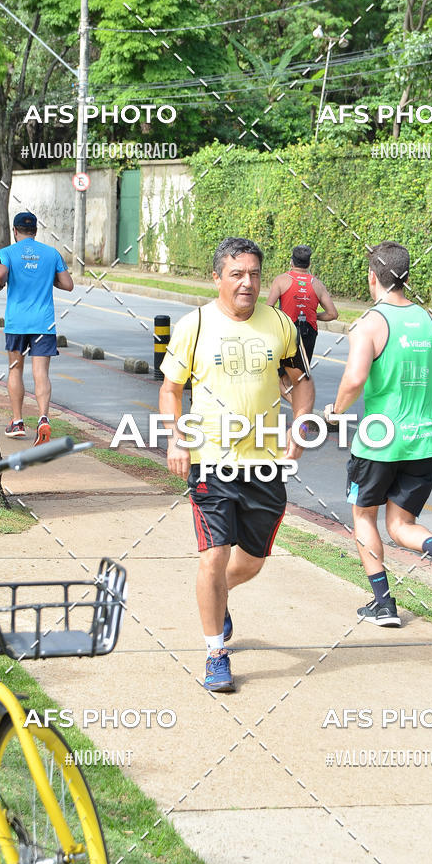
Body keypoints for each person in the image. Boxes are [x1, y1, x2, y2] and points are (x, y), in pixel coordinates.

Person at [160, 237, 315, 692]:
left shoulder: (280, 325)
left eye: (253, 275)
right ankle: (215, 655)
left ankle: (218, 598)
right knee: (214, 556)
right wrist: (178, 438)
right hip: (211, 462)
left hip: (264, 464)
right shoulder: (195, 325)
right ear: (218, 278)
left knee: (251, 563)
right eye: (237, 274)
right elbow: (171, 389)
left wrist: (302, 428)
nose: (247, 283)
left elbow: (301, 382)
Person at [326, 241, 432, 627]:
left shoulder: (370, 324)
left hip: (379, 442)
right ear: (405, 277)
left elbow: (356, 377)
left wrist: (336, 410)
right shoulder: (431, 321)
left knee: (363, 516)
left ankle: (383, 604)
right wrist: (427, 409)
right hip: (423, 441)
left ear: (372, 277)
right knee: (401, 526)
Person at [0, 211, 73, 446]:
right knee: (41, 373)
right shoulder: (51, 253)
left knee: (15, 369)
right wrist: (50, 279)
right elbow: (68, 285)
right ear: (35, 231)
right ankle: (43, 418)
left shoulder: (6, 253)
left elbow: (0, 274)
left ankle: (17, 422)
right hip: (43, 324)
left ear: (15, 231)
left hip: (17, 323)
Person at [266, 244, 338, 401]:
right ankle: (301, 410)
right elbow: (333, 314)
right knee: (299, 376)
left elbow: (268, 308)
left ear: (291, 262)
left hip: (287, 332)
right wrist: (312, 315)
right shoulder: (317, 284)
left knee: (279, 377)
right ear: (309, 264)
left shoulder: (281, 280)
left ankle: (300, 410)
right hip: (308, 333)